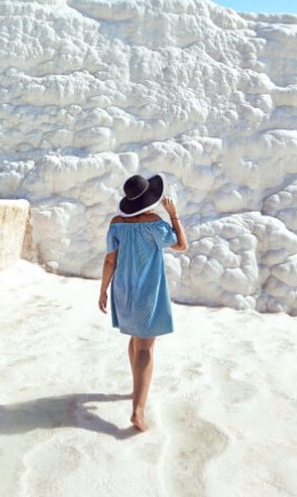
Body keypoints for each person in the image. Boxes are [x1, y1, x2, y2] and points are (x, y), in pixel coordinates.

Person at [99, 174, 188, 432]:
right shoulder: (154, 223)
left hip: (122, 289)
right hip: (146, 290)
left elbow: (109, 261)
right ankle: (138, 411)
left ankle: (136, 388)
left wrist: (103, 289)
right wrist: (174, 215)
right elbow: (182, 245)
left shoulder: (116, 223)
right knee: (146, 347)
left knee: (135, 339)